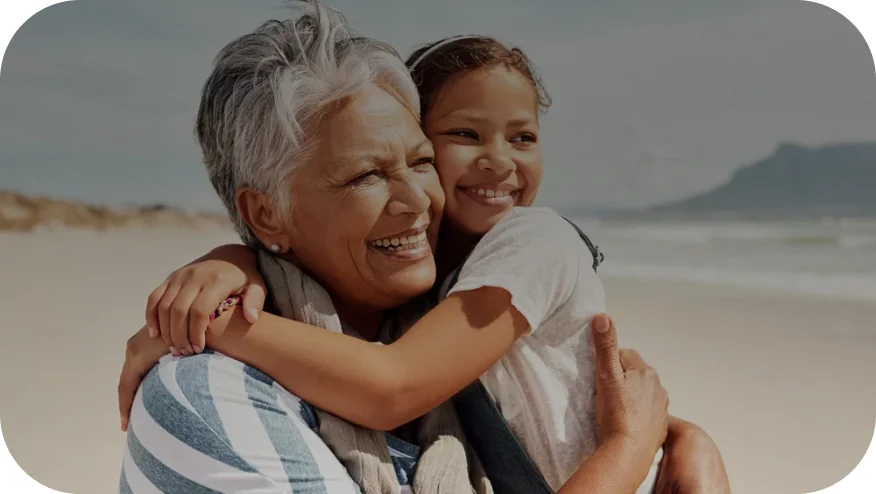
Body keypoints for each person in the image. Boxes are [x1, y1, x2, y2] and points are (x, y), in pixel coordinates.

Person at [118, 2, 727, 493]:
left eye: (421, 162)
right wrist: (625, 454)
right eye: (365, 175)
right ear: (264, 212)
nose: (418, 200)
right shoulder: (207, 400)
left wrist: (671, 437)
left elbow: (497, 401)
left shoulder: (450, 307)